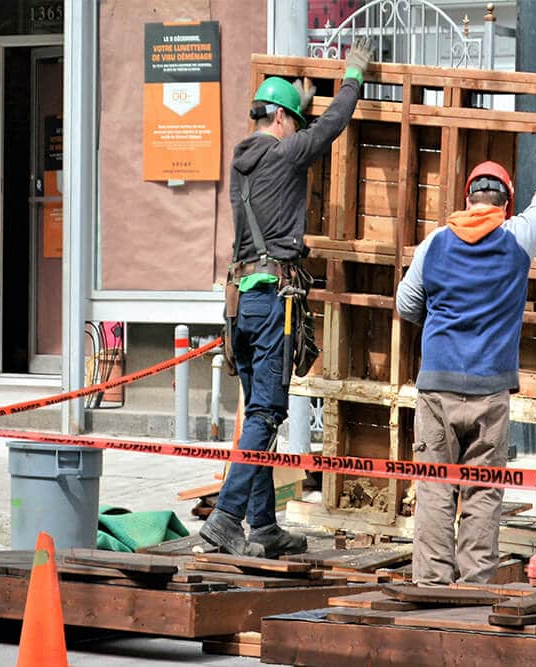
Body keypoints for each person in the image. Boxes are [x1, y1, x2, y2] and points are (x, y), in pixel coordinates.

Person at [200, 38, 374, 558]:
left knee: (256, 411)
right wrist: (353, 77)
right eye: (293, 120)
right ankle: (227, 519)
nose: (297, 130)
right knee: (267, 414)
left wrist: (301, 96)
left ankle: (263, 526)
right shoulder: (286, 152)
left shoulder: (241, 166)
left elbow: (302, 128)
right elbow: (331, 127)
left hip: (240, 305)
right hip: (273, 300)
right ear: (279, 119)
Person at [395, 127, 536, 584]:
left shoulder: (433, 244)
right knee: (482, 493)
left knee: (435, 489)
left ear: (468, 198)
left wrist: (438, 319)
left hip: (436, 388)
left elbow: (405, 305)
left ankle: (432, 586)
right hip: (490, 392)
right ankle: (474, 586)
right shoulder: (517, 238)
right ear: (504, 204)